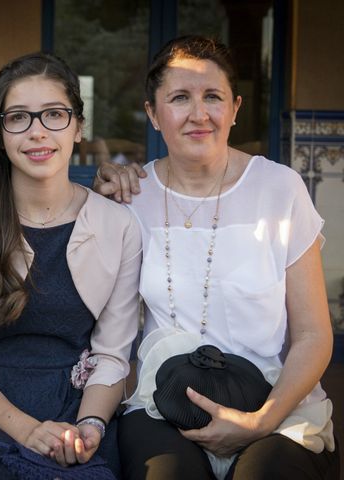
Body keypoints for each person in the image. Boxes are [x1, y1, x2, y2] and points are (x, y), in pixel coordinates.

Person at [94, 35, 340, 479]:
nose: (199, 114)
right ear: (152, 113)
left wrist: (260, 420)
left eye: (213, 97)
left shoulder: (279, 189)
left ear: (236, 107)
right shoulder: (131, 196)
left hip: (273, 401)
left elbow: (313, 335)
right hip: (162, 400)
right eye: (179, 98)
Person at [0, 52, 142, 479]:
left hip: (81, 404)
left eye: (54, 114)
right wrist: (29, 431)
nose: (37, 133)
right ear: (0, 130)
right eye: (18, 118)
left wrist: (90, 425)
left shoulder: (117, 225)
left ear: (78, 126)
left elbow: (113, 354)